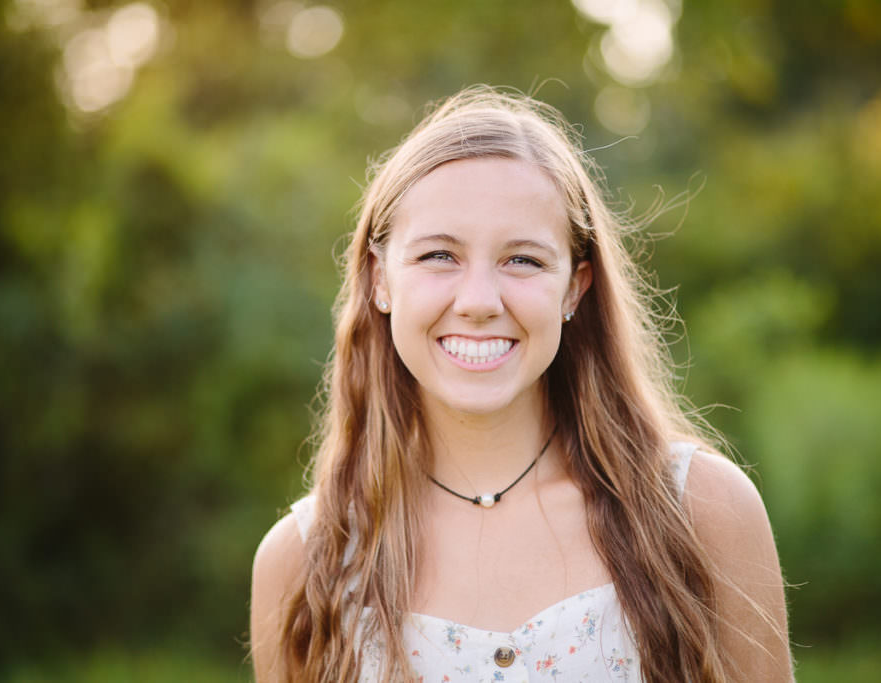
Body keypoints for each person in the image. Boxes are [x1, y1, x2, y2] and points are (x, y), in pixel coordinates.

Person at [250, 86, 792, 682]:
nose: (479, 302)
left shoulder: (699, 512)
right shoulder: (304, 562)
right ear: (380, 280)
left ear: (574, 288)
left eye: (523, 260)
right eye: (438, 255)